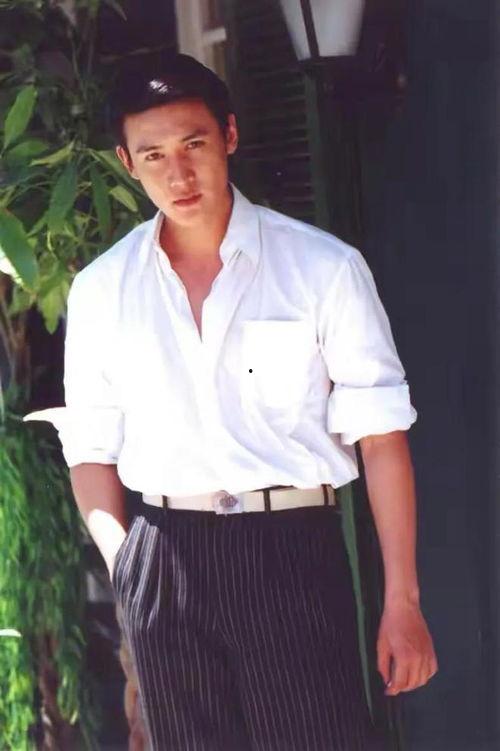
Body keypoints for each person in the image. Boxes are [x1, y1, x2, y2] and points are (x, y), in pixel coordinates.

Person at [27, 53, 437, 750]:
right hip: (163, 552)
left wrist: (403, 599)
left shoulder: (323, 268)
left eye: (194, 144)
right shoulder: (101, 289)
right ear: (127, 163)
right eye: (153, 155)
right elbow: (90, 448)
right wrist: (129, 570)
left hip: (289, 551)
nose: (178, 173)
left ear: (231, 136)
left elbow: (381, 438)